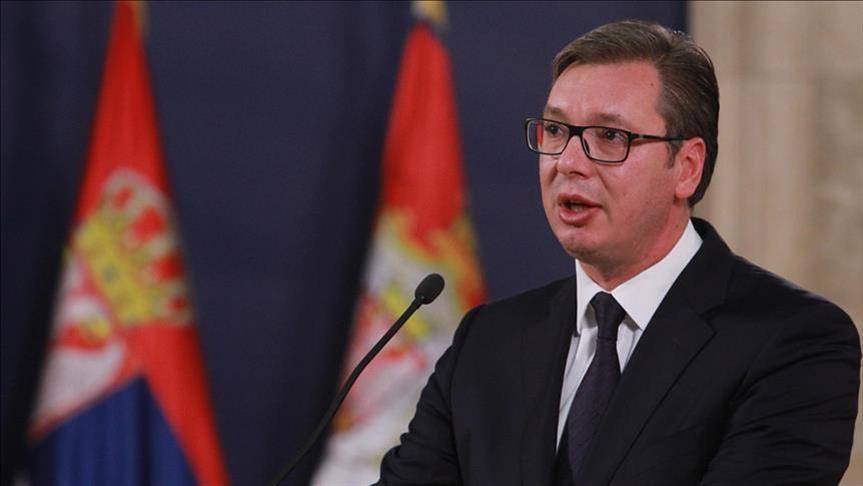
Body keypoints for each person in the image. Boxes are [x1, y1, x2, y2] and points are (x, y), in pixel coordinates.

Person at [376, 20, 861, 485]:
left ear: (687, 167)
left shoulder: (792, 340)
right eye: (555, 131)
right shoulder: (488, 342)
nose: (568, 162)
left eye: (610, 136)